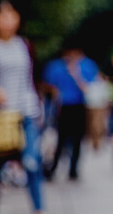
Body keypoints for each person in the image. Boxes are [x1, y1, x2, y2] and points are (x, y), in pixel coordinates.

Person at [0, 0, 57, 214]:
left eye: (11, 15)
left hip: (28, 110)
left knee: (32, 162)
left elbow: (32, 77)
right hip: (2, 115)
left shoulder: (25, 45)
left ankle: (40, 213)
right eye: (2, 16)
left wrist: (39, 106)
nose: (7, 21)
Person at [41, 40, 100, 181]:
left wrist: (75, 73)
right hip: (61, 107)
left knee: (78, 138)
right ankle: (53, 167)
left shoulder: (87, 66)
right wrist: (54, 92)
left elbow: (91, 88)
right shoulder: (55, 66)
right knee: (60, 138)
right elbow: (47, 85)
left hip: (80, 105)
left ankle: (73, 169)